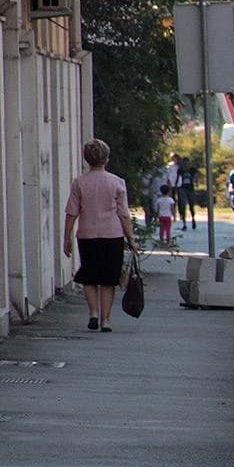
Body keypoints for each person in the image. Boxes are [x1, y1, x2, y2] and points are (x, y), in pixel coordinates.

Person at [63, 138, 137, 334]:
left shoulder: (79, 182)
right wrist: (131, 238)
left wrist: (67, 237)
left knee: (89, 275)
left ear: (87, 159)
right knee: (108, 278)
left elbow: (71, 212)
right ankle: (106, 320)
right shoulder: (117, 183)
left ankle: (93, 313)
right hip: (112, 235)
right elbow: (123, 214)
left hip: (87, 235)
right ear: (107, 158)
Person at [177, 156, 197, 230]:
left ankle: (193, 218)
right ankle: (184, 223)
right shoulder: (180, 170)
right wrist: (176, 188)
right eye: (184, 163)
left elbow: (196, 177)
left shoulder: (192, 170)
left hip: (190, 189)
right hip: (183, 188)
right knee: (183, 205)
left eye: (187, 163)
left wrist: (196, 182)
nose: (185, 164)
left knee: (191, 205)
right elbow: (177, 179)